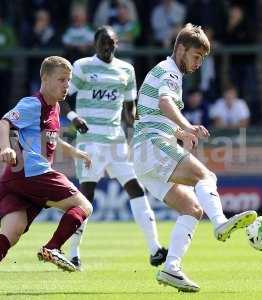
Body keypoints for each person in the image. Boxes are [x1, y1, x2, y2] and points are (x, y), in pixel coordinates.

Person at [131, 24, 257, 292]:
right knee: (206, 175)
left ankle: (171, 268)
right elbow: (164, 103)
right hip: (152, 146)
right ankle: (221, 223)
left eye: (202, 58)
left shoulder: (167, 73)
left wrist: (179, 131)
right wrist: (187, 127)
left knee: (193, 209)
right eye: (196, 56)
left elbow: (154, 114)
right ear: (180, 49)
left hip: (146, 153)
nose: (199, 63)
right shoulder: (169, 72)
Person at [0, 56, 93, 291]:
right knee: (84, 206)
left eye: (69, 80)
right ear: (45, 78)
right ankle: (53, 247)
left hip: (14, 179)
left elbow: (51, 139)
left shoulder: (53, 108)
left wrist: (76, 153)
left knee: (12, 231)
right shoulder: (32, 103)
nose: (67, 85)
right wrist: (5, 147)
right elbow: (3, 124)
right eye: (62, 80)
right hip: (32, 172)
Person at [62, 26, 166, 271]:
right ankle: (73, 253)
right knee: (86, 196)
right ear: (95, 44)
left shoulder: (126, 69)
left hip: (116, 140)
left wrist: (142, 126)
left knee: (135, 188)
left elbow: (129, 111)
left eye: (111, 43)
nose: (107, 47)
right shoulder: (82, 66)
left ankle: (155, 249)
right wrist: (74, 117)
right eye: (103, 43)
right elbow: (62, 97)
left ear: (117, 44)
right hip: (90, 141)